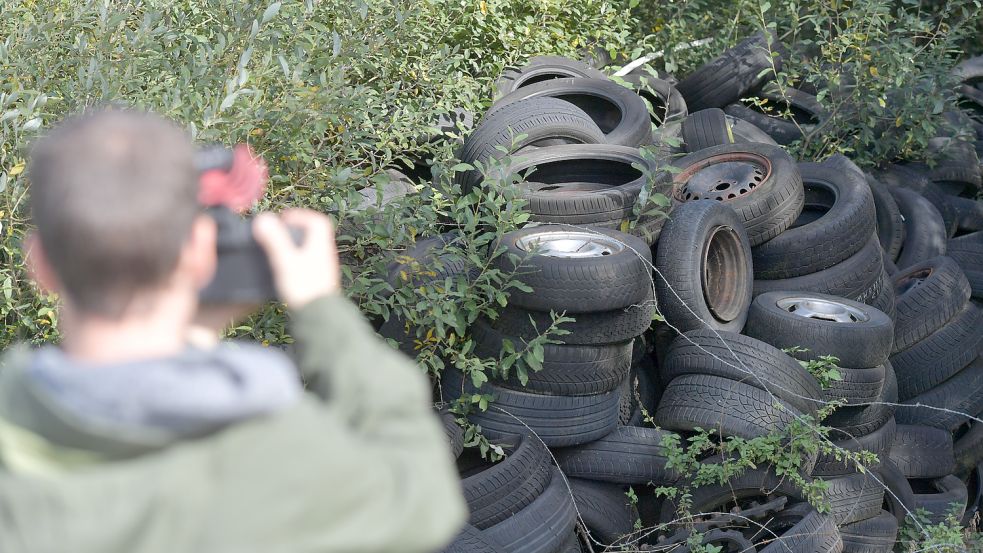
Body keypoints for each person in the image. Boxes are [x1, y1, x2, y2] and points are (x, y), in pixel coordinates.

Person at [0, 110, 466, 552]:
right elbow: (423, 499)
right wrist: (323, 312)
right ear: (200, 252)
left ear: (38, 264)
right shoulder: (278, 452)